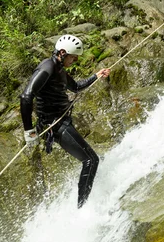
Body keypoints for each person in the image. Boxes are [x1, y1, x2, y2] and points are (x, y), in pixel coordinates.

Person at [20, 34, 110, 208]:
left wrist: (96, 76)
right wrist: (28, 131)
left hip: (62, 122)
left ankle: (83, 202)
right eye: (73, 57)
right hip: (55, 125)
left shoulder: (59, 69)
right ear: (62, 52)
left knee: (91, 160)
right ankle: (82, 208)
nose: (75, 60)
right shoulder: (47, 68)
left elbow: (75, 87)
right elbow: (26, 97)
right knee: (91, 161)